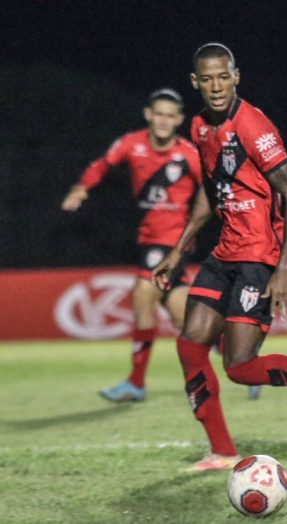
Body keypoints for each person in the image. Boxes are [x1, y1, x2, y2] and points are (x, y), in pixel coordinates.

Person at [151, 43, 287, 472]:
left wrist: (283, 268)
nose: (216, 86)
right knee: (190, 343)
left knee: (239, 367)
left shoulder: (253, 126)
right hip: (224, 255)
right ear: (195, 82)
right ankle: (221, 450)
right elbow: (210, 192)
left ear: (236, 76)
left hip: (259, 257)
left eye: (224, 76)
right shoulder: (200, 126)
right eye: (207, 78)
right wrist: (177, 251)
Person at [61, 89, 202, 402]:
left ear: (179, 120)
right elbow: (101, 165)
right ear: (148, 115)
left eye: (171, 115)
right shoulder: (131, 144)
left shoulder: (189, 154)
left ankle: (136, 383)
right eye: (159, 114)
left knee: (142, 295)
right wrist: (81, 188)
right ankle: (242, 362)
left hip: (174, 243)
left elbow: (211, 188)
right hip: (147, 239)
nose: (164, 120)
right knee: (184, 318)